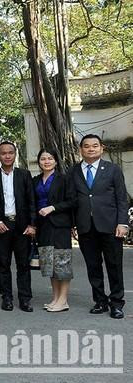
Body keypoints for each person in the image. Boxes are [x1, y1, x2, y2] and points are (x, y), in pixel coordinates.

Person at [69, 134, 129, 319]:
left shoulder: (112, 169)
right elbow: (72, 199)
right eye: (86, 146)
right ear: (81, 150)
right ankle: (100, 301)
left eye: (95, 145)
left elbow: (122, 198)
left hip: (110, 226)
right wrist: (73, 224)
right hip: (86, 227)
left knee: (114, 266)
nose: (91, 149)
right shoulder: (73, 171)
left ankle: (116, 303)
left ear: (102, 148)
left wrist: (123, 223)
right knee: (93, 266)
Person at [0, 141, 36, 312]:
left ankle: (25, 299)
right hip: (2, 225)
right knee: (3, 264)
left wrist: (32, 224)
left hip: (22, 226)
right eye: (3, 153)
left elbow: (32, 201)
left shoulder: (24, 174)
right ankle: (6, 298)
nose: (7, 156)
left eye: (10, 152)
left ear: (15, 154)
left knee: (23, 264)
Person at [33, 147, 74, 313]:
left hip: (60, 225)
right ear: (39, 162)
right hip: (43, 226)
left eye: (50, 158)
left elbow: (72, 201)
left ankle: (63, 300)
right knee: (49, 263)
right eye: (43, 159)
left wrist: (53, 208)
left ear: (56, 161)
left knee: (62, 263)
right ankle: (55, 298)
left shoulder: (64, 179)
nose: (46, 161)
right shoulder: (35, 180)